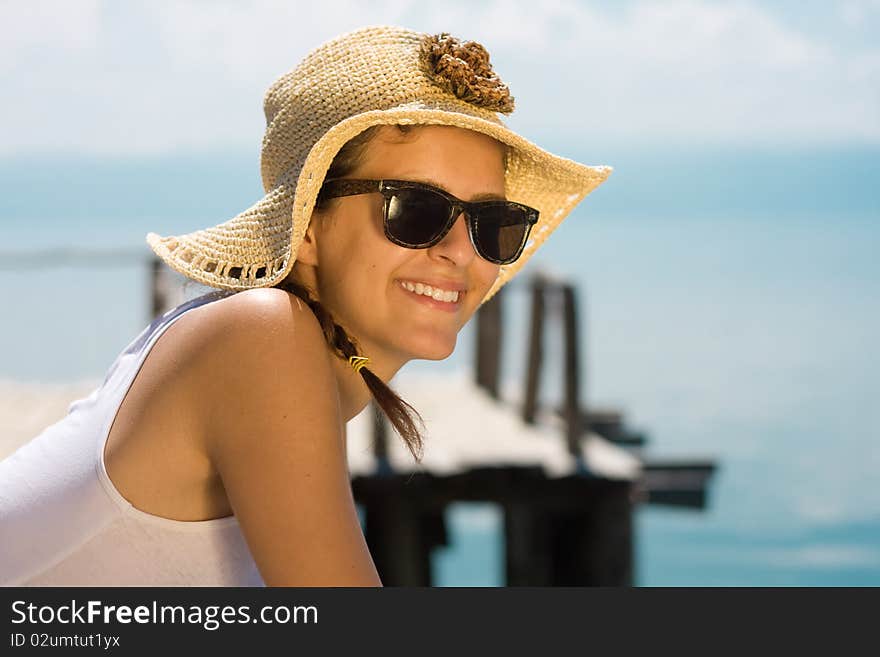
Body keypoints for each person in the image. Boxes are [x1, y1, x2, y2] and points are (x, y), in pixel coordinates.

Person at [0, 25, 611, 586]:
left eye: (492, 223)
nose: (461, 252)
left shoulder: (268, 349)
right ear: (308, 225)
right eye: (415, 210)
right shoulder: (260, 335)